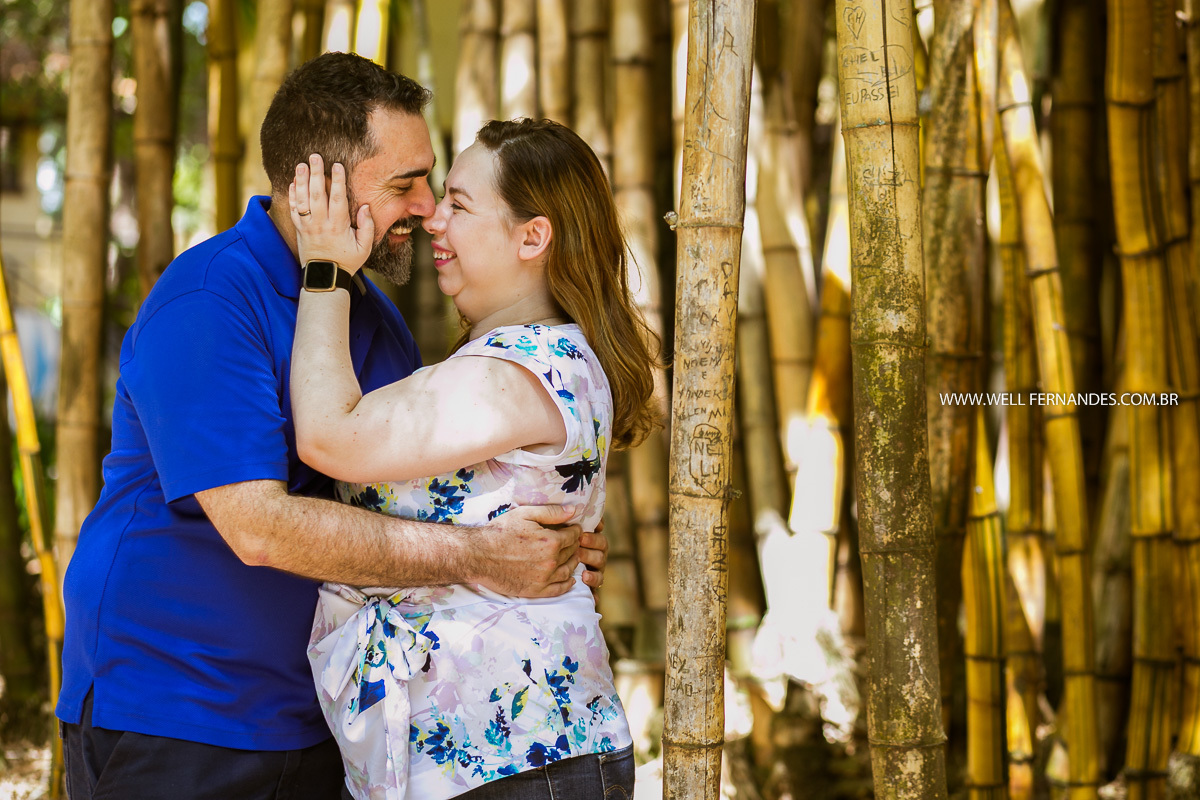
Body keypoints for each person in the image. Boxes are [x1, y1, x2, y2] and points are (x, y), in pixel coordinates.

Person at [55, 53, 608, 800]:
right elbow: (260, 527)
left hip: (334, 723)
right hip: (179, 713)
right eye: (405, 184)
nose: (426, 210)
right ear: (314, 188)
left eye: (433, 183)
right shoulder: (209, 302)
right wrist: (484, 555)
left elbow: (417, 500)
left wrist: (545, 542)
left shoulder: (372, 317)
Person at [286, 117, 659, 799]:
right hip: (491, 760)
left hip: (519, 758)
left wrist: (324, 270)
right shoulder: (527, 361)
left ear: (532, 237)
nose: (432, 217)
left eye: (459, 204)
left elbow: (330, 438)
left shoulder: (520, 371)